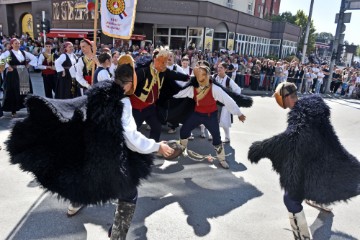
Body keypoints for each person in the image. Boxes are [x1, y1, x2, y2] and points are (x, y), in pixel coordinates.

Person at [6, 55, 177, 240]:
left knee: (81, 178)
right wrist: (157, 146)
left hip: (87, 152)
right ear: (129, 84)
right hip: (109, 160)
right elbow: (133, 140)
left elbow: (77, 109)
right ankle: (118, 235)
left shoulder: (96, 92)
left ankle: (75, 204)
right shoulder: (123, 103)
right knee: (129, 193)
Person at [248, 82, 360, 239]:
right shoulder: (312, 109)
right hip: (326, 161)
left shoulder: (301, 117)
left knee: (290, 199)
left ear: (285, 98)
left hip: (318, 165)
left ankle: (302, 236)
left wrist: (261, 148)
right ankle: (322, 202)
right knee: (317, 180)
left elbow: (292, 138)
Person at [174, 61, 246, 169]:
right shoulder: (192, 88)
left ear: (208, 76)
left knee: (216, 138)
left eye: (203, 74)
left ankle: (222, 159)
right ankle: (181, 149)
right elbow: (178, 94)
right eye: (199, 75)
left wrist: (238, 113)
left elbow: (228, 100)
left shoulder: (214, 88)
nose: (201, 77)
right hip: (197, 114)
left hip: (210, 116)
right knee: (184, 130)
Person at [130, 48, 189, 142]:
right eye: (163, 61)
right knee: (132, 131)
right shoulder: (143, 71)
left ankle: (152, 149)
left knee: (156, 127)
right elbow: (129, 86)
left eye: (165, 62)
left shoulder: (163, 71)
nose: (165, 64)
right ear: (155, 59)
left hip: (150, 108)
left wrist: (188, 78)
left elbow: (175, 74)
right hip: (137, 109)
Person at [0, 38, 38, 117]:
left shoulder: (23, 52)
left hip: (23, 72)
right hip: (13, 74)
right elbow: (1, 59)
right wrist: (8, 66)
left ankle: (27, 108)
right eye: (15, 43)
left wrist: (29, 64)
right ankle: (13, 110)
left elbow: (34, 58)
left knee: (25, 91)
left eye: (18, 43)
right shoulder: (9, 53)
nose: (17, 45)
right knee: (14, 90)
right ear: (11, 45)